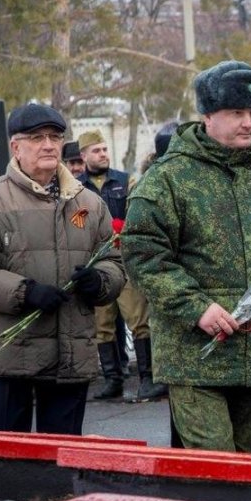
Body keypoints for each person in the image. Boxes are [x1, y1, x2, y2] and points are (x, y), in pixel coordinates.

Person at [121, 60, 251, 453]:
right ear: (208, 115)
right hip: (195, 357)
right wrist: (196, 308)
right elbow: (143, 255)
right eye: (236, 113)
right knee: (215, 468)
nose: (248, 123)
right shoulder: (168, 180)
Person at [0, 103, 125, 434]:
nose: (49, 144)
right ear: (15, 146)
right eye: (37, 137)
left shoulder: (89, 202)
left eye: (55, 136)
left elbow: (115, 261)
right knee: (9, 467)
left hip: (71, 355)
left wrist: (100, 281)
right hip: (9, 358)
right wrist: (23, 292)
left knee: (61, 467)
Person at [77, 129, 166, 403]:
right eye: (96, 150)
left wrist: (124, 230)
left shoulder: (125, 182)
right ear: (83, 156)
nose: (102, 154)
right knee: (103, 325)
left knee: (138, 320)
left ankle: (148, 378)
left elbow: (137, 215)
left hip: (124, 261)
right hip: (96, 264)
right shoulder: (76, 187)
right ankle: (113, 379)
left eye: (104, 149)